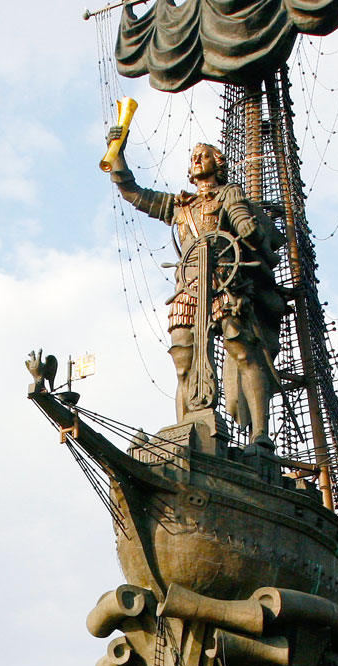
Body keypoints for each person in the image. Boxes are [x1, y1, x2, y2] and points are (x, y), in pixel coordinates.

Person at [107, 142, 286, 444]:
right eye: (194, 158)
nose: (198, 160)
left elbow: (243, 221)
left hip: (223, 282)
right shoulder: (179, 205)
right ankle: (185, 430)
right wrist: (118, 155)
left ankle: (259, 434)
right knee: (183, 362)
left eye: (204, 156)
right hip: (188, 287)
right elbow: (135, 194)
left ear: (217, 163)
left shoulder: (230, 194)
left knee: (242, 350)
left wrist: (247, 228)